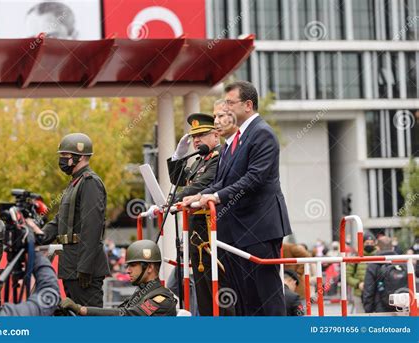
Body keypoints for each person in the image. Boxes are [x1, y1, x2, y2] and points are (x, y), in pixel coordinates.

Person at [183, 81, 292, 316]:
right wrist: (199, 196)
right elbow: (224, 180)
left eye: (231, 103)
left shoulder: (262, 134)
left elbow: (254, 179)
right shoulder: (236, 140)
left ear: (248, 105)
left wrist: (215, 196)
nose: (226, 109)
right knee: (244, 301)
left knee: (266, 298)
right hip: (236, 232)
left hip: (259, 229)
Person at [27, 133, 110, 307]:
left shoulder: (90, 182)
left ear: (78, 157)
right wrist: (39, 235)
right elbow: (60, 221)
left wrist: (85, 268)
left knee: (90, 321)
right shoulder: (75, 183)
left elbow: (92, 227)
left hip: (83, 267)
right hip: (71, 264)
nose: (61, 160)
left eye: (65, 156)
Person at [166, 112, 233, 316]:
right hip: (197, 236)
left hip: (212, 233)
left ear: (216, 135)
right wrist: (178, 157)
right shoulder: (199, 160)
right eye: (194, 136)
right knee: (203, 294)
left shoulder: (219, 157)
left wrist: (171, 201)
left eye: (202, 135)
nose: (196, 140)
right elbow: (179, 180)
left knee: (218, 291)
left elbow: (201, 186)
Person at [60, 240, 177, 316]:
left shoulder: (161, 299)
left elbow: (127, 316)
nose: (128, 270)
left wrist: (82, 310)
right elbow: (118, 312)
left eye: (133, 265)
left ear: (149, 267)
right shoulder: (142, 292)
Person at [362, 236, 408, 313]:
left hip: (381, 309)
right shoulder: (403, 263)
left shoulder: (374, 264)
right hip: (403, 307)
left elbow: (368, 290)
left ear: (377, 248)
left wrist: (368, 310)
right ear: (392, 248)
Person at [346, 232, 376, 314]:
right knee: (361, 317)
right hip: (359, 294)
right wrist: (358, 284)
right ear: (362, 243)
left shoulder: (379, 257)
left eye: (371, 243)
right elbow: (347, 276)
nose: (369, 245)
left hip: (376, 294)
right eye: (367, 243)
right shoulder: (356, 257)